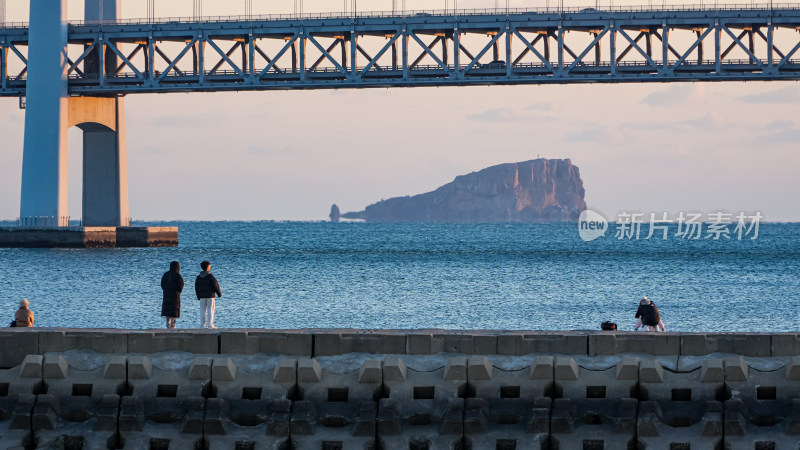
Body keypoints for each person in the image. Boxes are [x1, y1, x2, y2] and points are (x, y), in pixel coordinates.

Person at [195, 260, 222, 329]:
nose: (210, 267)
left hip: (202, 296)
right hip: (210, 296)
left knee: (202, 310)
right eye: (209, 265)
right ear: (207, 267)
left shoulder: (198, 277)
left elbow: (196, 287)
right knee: (211, 310)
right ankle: (210, 325)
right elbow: (216, 285)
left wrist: (198, 296)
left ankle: (202, 325)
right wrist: (219, 294)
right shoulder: (210, 276)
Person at [161, 261, 184, 329]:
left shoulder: (166, 274)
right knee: (174, 309)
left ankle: (167, 324)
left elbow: (162, 284)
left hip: (166, 294)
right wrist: (179, 291)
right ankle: (173, 324)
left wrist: (165, 290)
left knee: (167, 309)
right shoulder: (178, 275)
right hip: (175, 295)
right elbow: (181, 285)